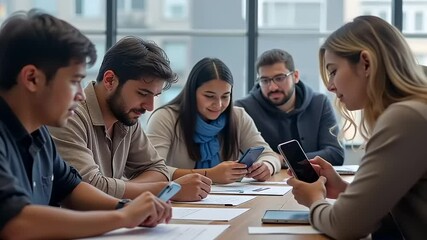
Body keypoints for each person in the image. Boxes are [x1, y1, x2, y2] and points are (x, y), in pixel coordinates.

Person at [0, 10, 171, 239]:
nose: (81, 95)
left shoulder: (38, 134)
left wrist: (123, 207)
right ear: (32, 78)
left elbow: (72, 188)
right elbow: (15, 223)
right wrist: (122, 218)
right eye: (74, 81)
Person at [287, 15, 427, 239]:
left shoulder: (406, 117)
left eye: (333, 71)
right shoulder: (415, 109)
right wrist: (342, 188)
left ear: (366, 63)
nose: (330, 86)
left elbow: (344, 226)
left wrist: (314, 200)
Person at [48, 36, 212, 202]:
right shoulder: (69, 115)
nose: (149, 107)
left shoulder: (127, 116)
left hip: (113, 222)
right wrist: (164, 190)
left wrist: (119, 190)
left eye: (155, 95)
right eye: (142, 93)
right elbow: (87, 188)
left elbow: (158, 169)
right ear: (110, 80)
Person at [146, 57, 281, 184]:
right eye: (209, 96)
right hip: (178, 202)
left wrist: (267, 166)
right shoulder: (165, 118)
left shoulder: (238, 116)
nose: (219, 104)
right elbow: (152, 171)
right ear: (192, 92)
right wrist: (209, 174)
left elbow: (269, 155)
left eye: (225, 96)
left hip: (230, 203)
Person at [235, 49, 344, 167]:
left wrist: (284, 160)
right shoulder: (244, 109)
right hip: (266, 182)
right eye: (265, 80)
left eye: (280, 78)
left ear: (295, 76)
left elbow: (336, 154)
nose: (272, 87)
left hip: (315, 181)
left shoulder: (319, 103)